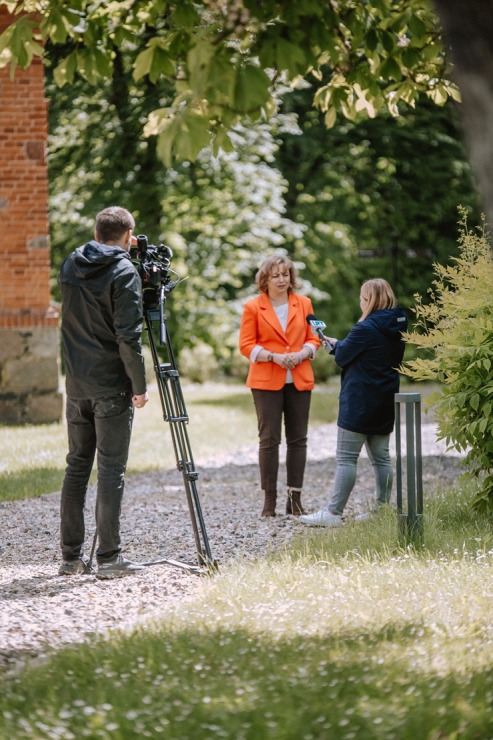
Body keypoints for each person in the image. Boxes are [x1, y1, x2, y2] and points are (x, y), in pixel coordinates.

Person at [58, 206, 148, 578]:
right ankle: (110, 558)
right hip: (111, 385)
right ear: (129, 236)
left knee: (77, 468)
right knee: (111, 471)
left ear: (97, 233)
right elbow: (129, 336)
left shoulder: (70, 264)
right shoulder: (124, 270)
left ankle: (70, 558)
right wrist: (139, 387)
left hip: (77, 384)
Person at [300, 278, 408, 527]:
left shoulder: (365, 328)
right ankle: (382, 508)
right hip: (384, 398)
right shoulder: (396, 325)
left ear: (368, 300)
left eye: (362, 297)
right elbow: (366, 352)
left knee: (346, 458)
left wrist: (336, 347)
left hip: (359, 401)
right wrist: (342, 345)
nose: (360, 302)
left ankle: (333, 513)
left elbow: (343, 358)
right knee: (381, 458)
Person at [239, 255, 320, 517]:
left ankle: (295, 499)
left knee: (298, 440)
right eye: (276, 275)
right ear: (265, 279)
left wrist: (302, 353)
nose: (282, 280)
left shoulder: (304, 303)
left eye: (286, 274)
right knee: (269, 440)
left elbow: (314, 338)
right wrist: (272, 357)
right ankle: (269, 501)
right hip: (265, 381)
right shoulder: (253, 307)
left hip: (299, 377)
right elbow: (246, 345)